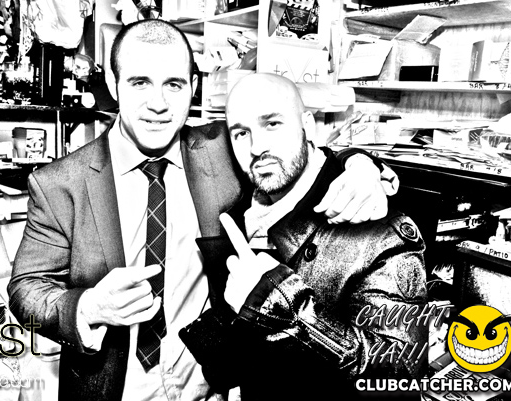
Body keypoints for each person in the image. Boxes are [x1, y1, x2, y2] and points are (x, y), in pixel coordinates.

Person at [8, 20, 399, 401]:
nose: (158, 104)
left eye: (174, 84)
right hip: (113, 388)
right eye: (140, 82)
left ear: (193, 88)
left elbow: (294, 147)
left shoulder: (224, 149)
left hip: (210, 384)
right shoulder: (59, 183)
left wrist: (361, 165)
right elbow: (25, 291)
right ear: (113, 84)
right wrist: (88, 307)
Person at [180, 73, 428, 400]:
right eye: (241, 133)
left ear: (307, 126)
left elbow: (399, 373)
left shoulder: (376, 227)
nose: (257, 148)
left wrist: (285, 309)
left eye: (272, 124)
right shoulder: (245, 207)